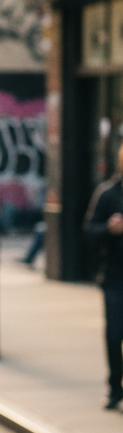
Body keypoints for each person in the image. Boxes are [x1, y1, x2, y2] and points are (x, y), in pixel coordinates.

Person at [82, 143, 123, 411]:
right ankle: (115, 388)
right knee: (114, 335)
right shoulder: (108, 194)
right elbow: (89, 229)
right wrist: (108, 228)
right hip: (115, 278)